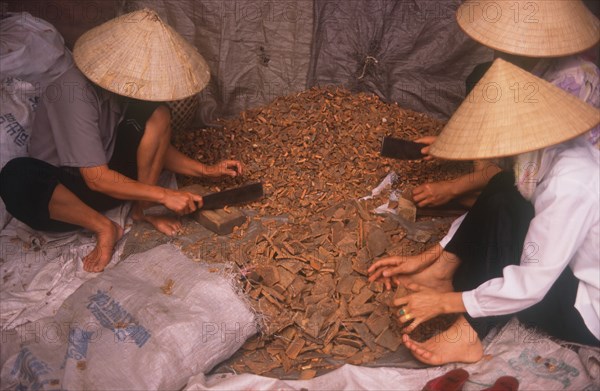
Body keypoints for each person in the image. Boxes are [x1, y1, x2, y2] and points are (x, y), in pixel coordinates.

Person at [370, 58, 600, 365]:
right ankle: (441, 273)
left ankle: (467, 335)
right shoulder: (551, 147)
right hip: (566, 272)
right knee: (504, 186)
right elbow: (499, 192)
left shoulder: (571, 180)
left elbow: (531, 284)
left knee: (504, 216)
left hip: (585, 310)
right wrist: (430, 257)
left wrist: (443, 304)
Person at [0, 9, 243, 273]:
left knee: (158, 114)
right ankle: (103, 226)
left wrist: (206, 170)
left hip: (113, 184)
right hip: (65, 195)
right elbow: (94, 177)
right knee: (16, 176)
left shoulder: (123, 91)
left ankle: (142, 212)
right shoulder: (70, 93)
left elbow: (153, 143)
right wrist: (166, 195)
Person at [410, 0, 600, 208]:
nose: (498, 51)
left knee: (505, 194)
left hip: (550, 174)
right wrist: (450, 144)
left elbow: (523, 163)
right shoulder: (518, 59)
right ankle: (485, 180)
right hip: (524, 146)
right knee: (483, 76)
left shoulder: (571, 83)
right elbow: (505, 124)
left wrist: (452, 188)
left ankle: (487, 192)